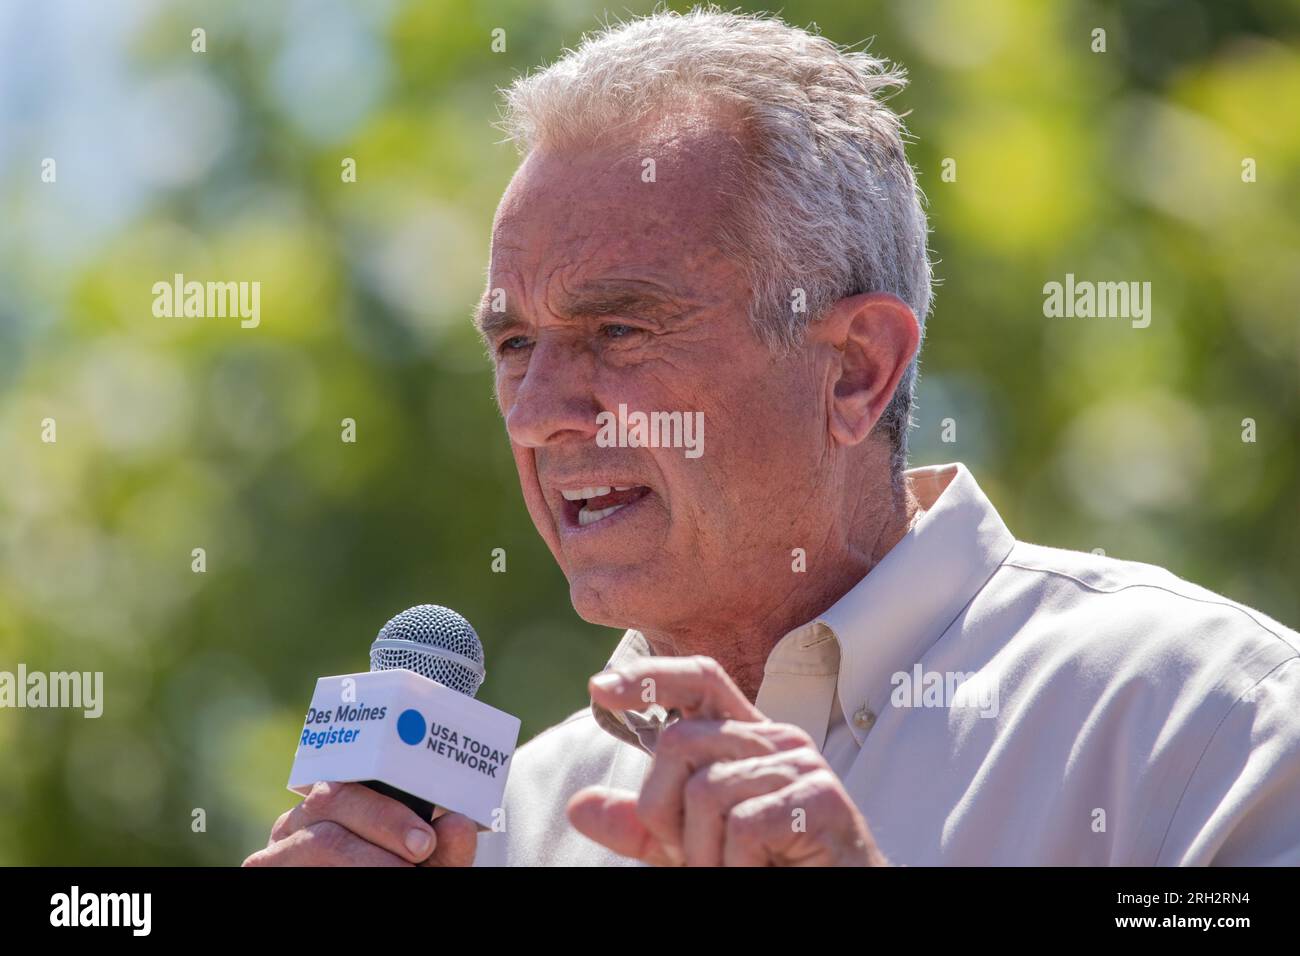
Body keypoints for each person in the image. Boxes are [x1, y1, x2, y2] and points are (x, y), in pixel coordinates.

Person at [245, 8, 1299, 868]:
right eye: (514, 341)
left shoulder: (1206, 723)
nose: (537, 410)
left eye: (618, 329)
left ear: (854, 370)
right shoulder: (513, 824)